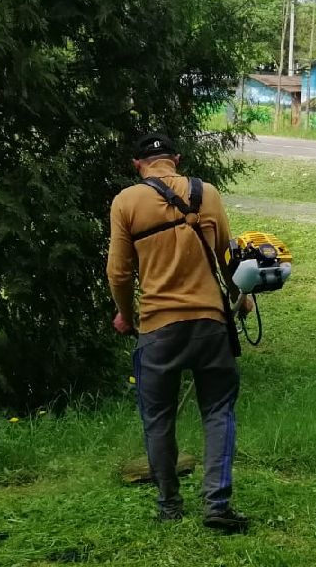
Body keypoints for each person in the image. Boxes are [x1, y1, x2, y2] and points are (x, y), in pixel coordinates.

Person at [106, 131, 253, 533]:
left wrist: (126, 315)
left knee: (158, 418)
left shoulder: (127, 202)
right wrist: (242, 296)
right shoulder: (207, 193)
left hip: (158, 326)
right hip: (210, 324)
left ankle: (169, 504)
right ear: (177, 160)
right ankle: (217, 505)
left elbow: (119, 272)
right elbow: (227, 254)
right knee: (218, 410)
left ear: (138, 165)